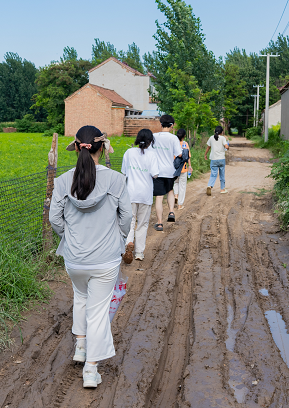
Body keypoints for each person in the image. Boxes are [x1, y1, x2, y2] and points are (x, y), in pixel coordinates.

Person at [49, 125, 132, 389]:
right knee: (98, 311)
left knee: (81, 297)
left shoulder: (63, 181)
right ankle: (91, 370)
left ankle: (81, 347)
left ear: (76, 148)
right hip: (106, 258)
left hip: (75, 259)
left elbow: (54, 219)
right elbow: (127, 217)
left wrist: (69, 237)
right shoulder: (116, 180)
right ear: (102, 147)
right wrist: (117, 236)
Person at [121, 129, 159, 261]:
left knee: (129, 221)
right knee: (142, 223)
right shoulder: (152, 155)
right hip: (145, 194)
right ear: (150, 141)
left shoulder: (129, 152)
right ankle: (138, 253)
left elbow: (123, 173)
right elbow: (155, 174)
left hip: (130, 193)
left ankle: (128, 242)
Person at [151, 114, 182, 231]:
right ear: (172, 126)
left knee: (159, 197)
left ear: (160, 124)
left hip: (157, 171)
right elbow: (179, 154)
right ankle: (171, 212)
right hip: (170, 171)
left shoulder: (154, 137)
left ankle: (159, 223)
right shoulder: (173, 138)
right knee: (170, 191)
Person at [204, 125, 229, 195]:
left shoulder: (211, 138)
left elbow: (208, 147)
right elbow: (226, 147)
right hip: (221, 159)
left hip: (213, 159)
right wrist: (227, 147)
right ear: (222, 132)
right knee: (222, 174)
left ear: (215, 131)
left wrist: (205, 154)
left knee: (213, 174)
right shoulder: (223, 138)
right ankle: (222, 189)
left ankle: (209, 186)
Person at [173, 128, 191, 210]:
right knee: (182, 186)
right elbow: (188, 157)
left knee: (176, 183)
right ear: (184, 136)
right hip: (183, 168)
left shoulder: (173, 144)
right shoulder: (185, 144)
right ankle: (180, 205)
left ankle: (176, 195)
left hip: (174, 168)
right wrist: (190, 166)